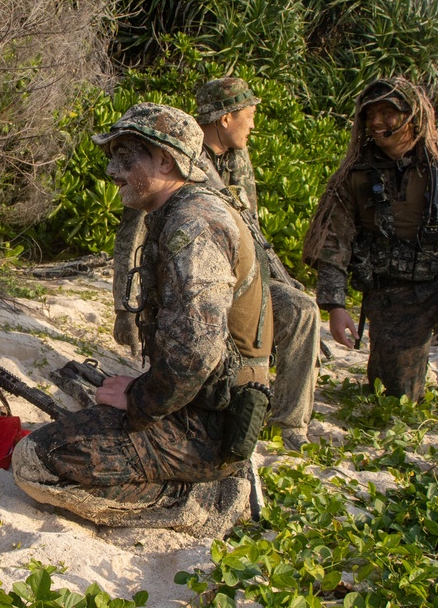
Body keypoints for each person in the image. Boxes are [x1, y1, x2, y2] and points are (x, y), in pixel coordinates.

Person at [13, 103, 273, 534]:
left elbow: (195, 352)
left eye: (126, 157)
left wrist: (139, 400)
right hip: (201, 405)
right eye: (113, 157)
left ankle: (202, 498)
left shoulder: (194, 224)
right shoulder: (180, 210)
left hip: (207, 425)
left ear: (166, 161)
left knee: (34, 461)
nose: (114, 171)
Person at [302, 77, 438, 433]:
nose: (377, 122)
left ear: (413, 116)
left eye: (388, 113)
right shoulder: (353, 176)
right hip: (395, 300)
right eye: (370, 114)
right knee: (394, 404)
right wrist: (336, 305)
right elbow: (332, 243)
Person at [113, 78, 320, 451]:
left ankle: (288, 421)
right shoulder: (168, 157)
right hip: (190, 283)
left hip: (232, 277)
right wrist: (122, 309)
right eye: (249, 115)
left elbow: (250, 230)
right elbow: (130, 235)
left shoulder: (238, 160)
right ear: (226, 119)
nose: (253, 124)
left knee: (301, 310)